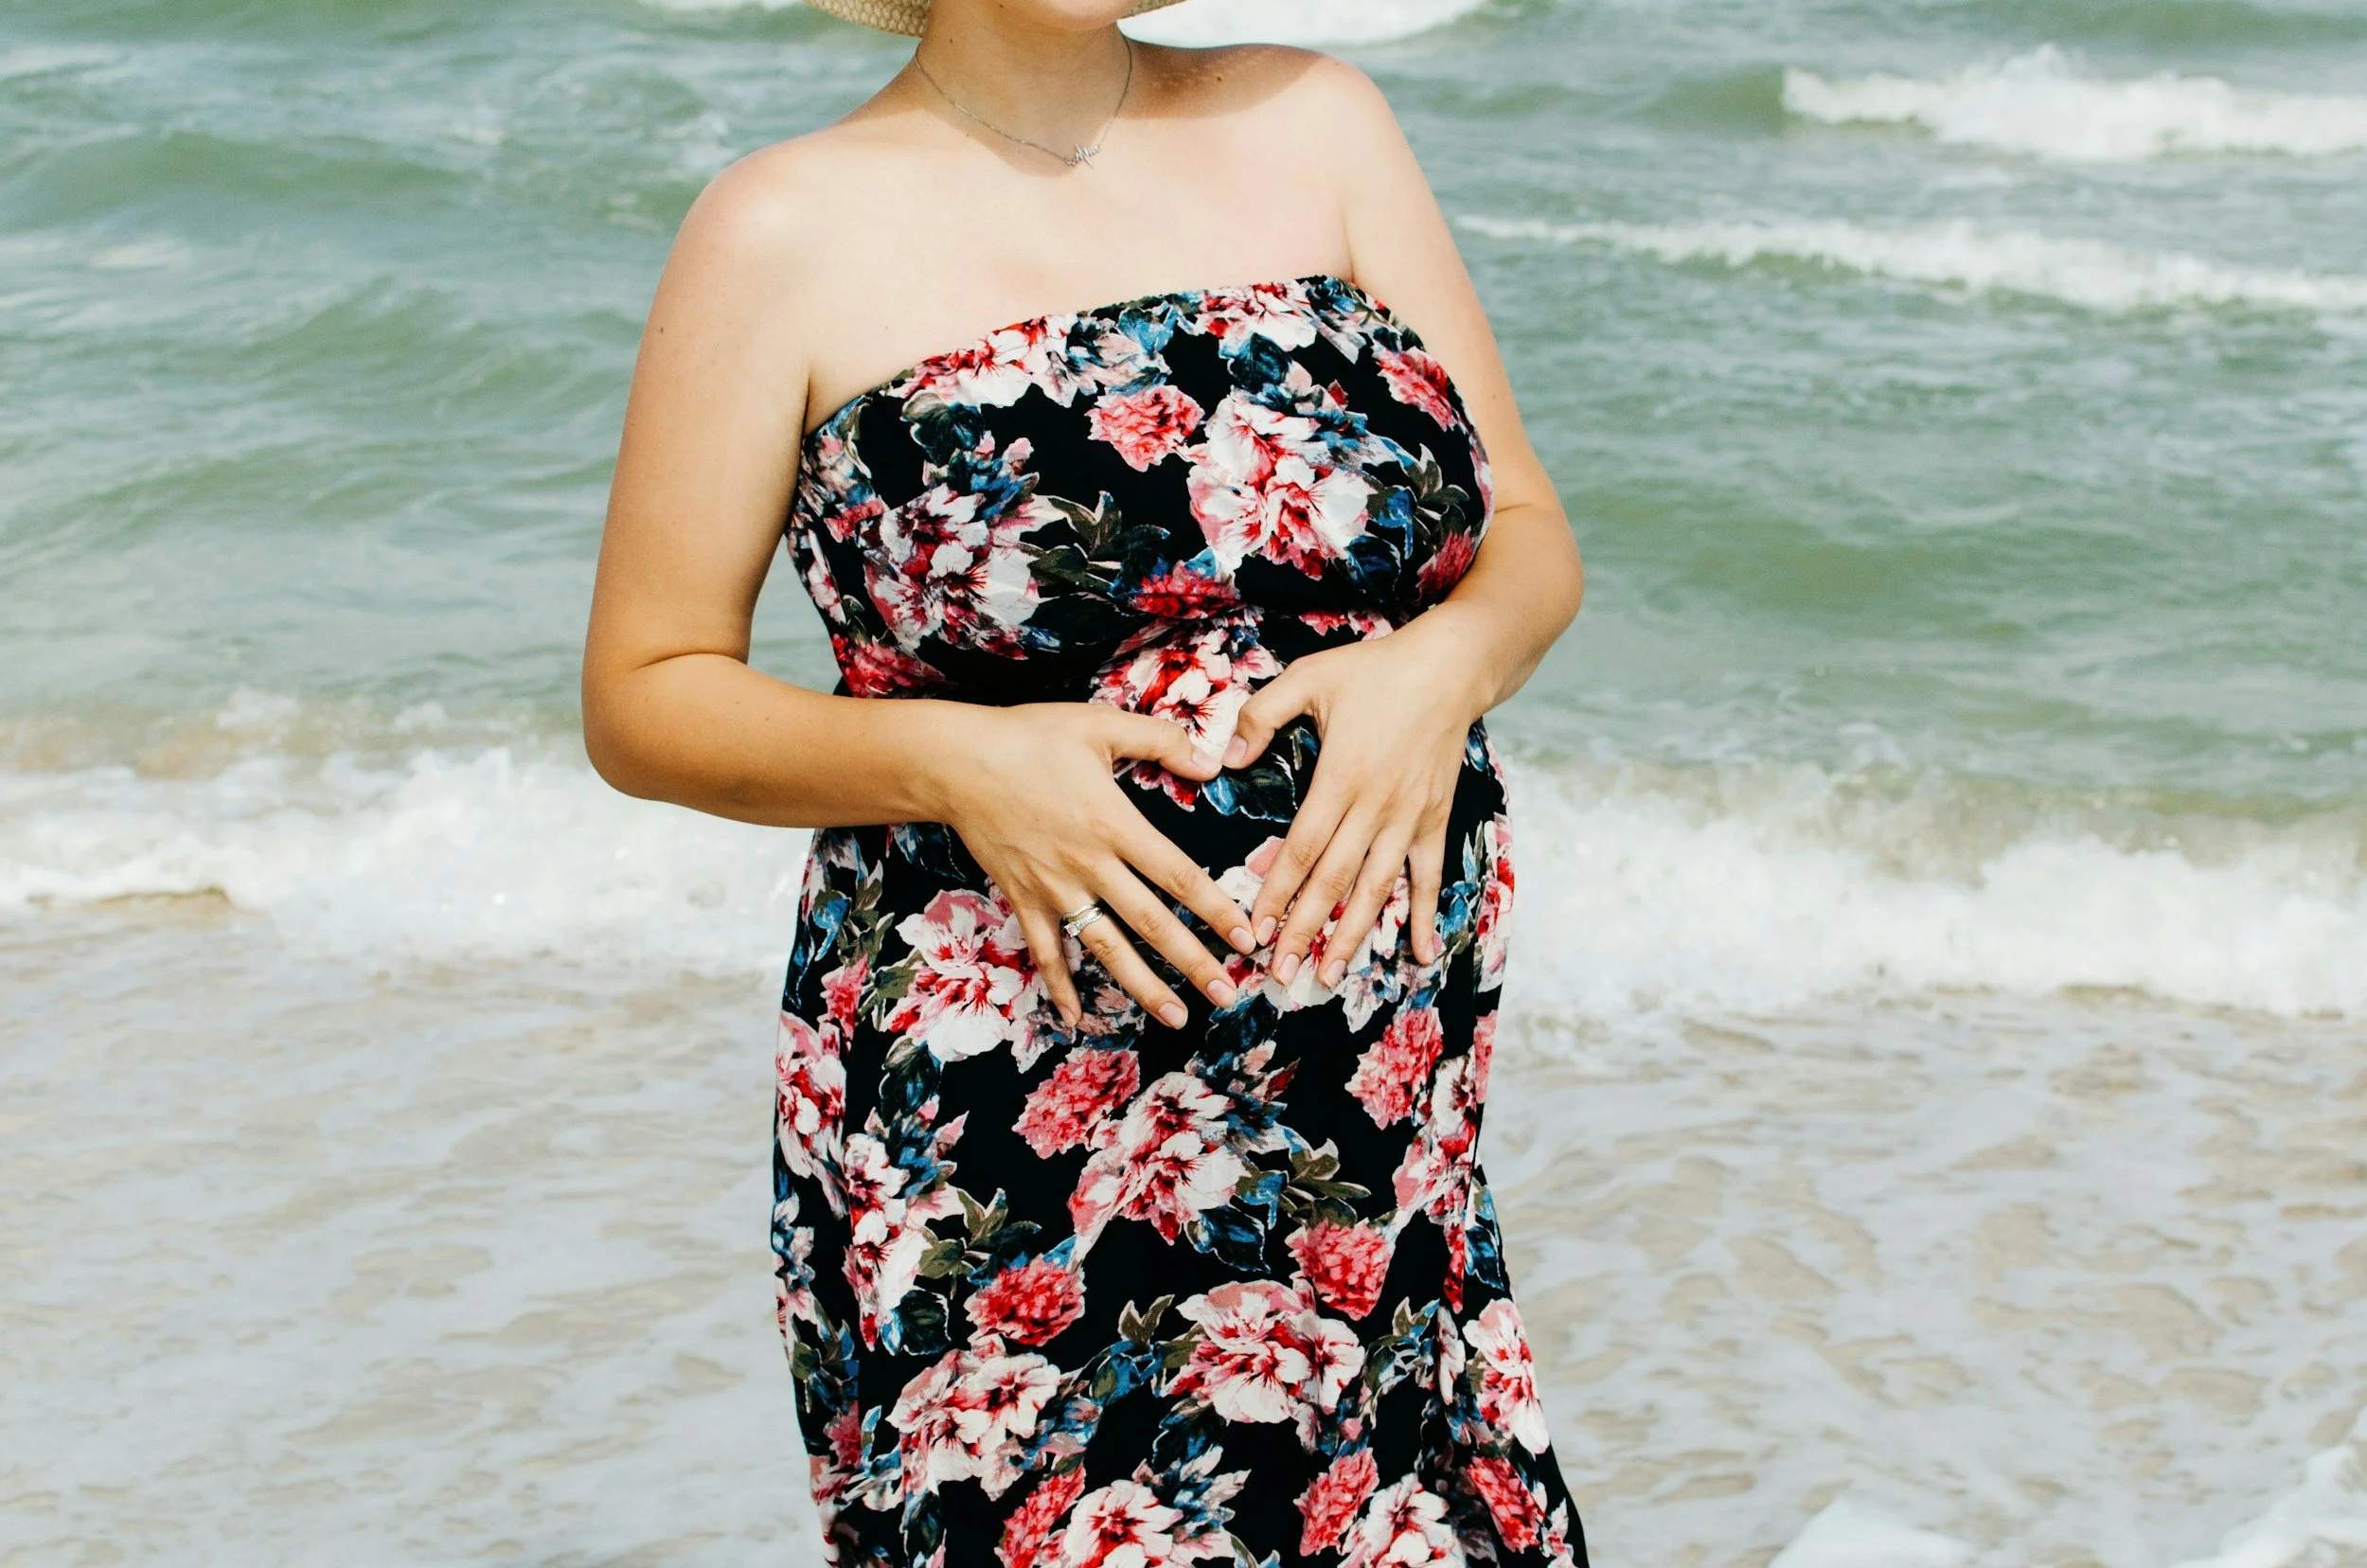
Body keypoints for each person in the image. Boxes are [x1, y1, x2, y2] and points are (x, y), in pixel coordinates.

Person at [580, 1, 1589, 1562]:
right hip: (1018, 1122)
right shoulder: (780, 226)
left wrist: (1430, 677)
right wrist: (965, 761)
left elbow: (1526, 529)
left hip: (1375, 1116)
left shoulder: (1320, 122)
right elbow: (647, 699)